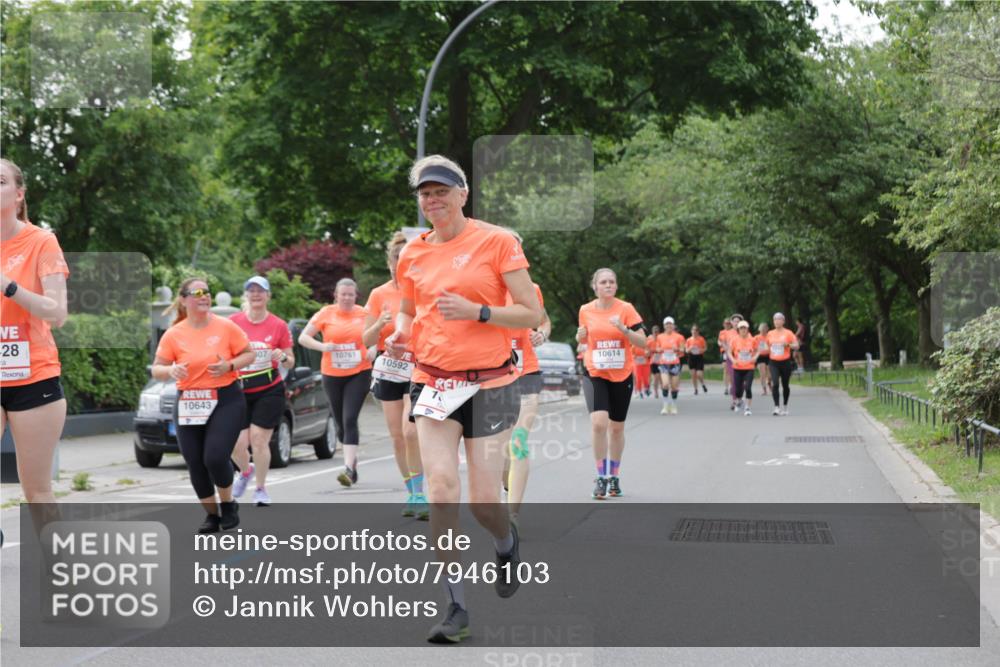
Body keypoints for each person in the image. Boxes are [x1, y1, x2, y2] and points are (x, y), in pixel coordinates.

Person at [385, 155, 542, 644]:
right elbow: (409, 314)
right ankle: (456, 606)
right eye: (425, 195)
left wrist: (478, 310)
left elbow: (531, 314)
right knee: (441, 490)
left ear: (462, 194)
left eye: (441, 192)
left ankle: (505, 541)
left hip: (492, 384)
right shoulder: (413, 253)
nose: (433, 201)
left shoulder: (498, 241)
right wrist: (398, 336)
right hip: (433, 382)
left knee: (482, 502)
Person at [152, 278, 255, 533]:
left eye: (207, 292)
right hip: (189, 401)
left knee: (215, 455)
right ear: (184, 299)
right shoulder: (174, 334)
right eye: (197, 292)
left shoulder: (226, 327)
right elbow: (157, 369)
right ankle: (211, 515)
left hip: (225, 398)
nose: (204, 296)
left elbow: (249, 354)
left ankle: (228, 503)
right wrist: (171, 370)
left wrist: (229, 365)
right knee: (195, 461)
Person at [0, 158, 70, 511]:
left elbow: (57, 313)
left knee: (37, 491)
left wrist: (8, 286)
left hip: (33, 376)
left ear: (19, 193)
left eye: (0, 181)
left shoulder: (41, 242)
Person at [363, 231, 427, 519]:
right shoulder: (379, 294)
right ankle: (413, 492)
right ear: (390, 263)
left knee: (411, 430)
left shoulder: (422, 289)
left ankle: (423, 491)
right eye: (395, 260)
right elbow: (365, 340)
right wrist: (379, 324)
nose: (400, 264)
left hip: (418, 366)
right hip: (389, 369)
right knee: (397, 437)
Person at [577, 268, 646, 500]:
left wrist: (624, 330)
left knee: (616, 428)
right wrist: (579, 337)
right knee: (598, 423)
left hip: (622, 373)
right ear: (595, 286)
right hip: (595, 371)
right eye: (603, 282)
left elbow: (643, 342)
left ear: (616, 286)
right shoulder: (585, 310)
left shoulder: (626, 309)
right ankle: (601, 476)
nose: (608, 285)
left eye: (612, 282)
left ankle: (614, 475)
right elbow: (584, 339)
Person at [300, 278, 373, 487]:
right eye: (343, 294)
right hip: (332, 374)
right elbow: (303, 338)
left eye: (351, 294)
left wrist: (373, 349)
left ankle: (348, 470)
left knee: (350, 418)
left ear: (355, 296)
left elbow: (376, 336)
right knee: (341, 424)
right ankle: (353, 460)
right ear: (336, 295)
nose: (347, 298)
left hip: (359, 372)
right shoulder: (325, 313)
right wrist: (323, 347)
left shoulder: (364, 313)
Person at [229, 276, 294, 506]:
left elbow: (290, 361)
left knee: (258, 439)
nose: (256, 294)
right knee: (236, 444)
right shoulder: (233, 323)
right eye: (251, 290)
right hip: (239, 390)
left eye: (260, 291)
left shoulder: (278, 325)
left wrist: (283, 356)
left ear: (268, 295)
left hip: (269, 390)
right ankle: (246, 471)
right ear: (246, 295)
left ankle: (260, 489)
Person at [505, 277, 550, 528]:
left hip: (526, 373)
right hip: (493, 378)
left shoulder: (532, 289)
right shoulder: (482, 287)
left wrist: (541, 334)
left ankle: (512, 516)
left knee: (518, 441)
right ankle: (507, 486)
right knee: (500, 449)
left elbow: (543, 321)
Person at [767, 312, 800, 415]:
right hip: (773, 362)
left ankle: (785, 406)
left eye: (779, 319)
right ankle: (776, 407)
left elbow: (797, 346)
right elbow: (767, 347)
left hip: (785, 362)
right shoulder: (770, 333)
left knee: (785, 385)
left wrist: (788, 345)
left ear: (783, 321)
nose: (777, 321)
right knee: (775, 383)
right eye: (775, 319)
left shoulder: (788, 333)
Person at [655, 316, 686, 414]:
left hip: (675, 363)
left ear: (673, 325)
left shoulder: (679, 337)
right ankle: (665, 406)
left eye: (670, 324)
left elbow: (682, 350)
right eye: (667, 324)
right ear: (664, 326)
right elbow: (657, 348)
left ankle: (673, 406)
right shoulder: (660, 337)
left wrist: (676, 348)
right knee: (665, 384)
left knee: (674, 387)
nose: (669, 325)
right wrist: (660, 350)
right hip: (664, 362)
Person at [729, 320, 758, 415]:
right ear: (738, 329)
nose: (743, 330)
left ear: (747, 329)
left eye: (745, 328)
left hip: (749, 367)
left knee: (748, 387)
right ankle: (739, 400)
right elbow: (729, 352)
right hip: (738, 367)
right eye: (741, 328)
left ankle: (748, 408)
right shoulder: (734, 340)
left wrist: (754, 357)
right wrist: (733, 360)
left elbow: (758, 350)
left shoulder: (752, 340)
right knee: (738, 389)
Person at [685, 325, 708, 395]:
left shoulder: (701, 339)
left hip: (699, 357)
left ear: (698, 332)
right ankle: (695, 389)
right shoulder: (688, 340)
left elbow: (705, 348)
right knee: (693, 375)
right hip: (691, 357)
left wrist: (701, 350)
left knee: (699, 374)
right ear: (691, 331)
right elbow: (686, 350)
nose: (694, 332)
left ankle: (703, 384)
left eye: (696, 330)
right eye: (693, 330)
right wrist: (691, 348)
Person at [716, 319, 733, 396]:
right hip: (724, 352)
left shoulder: (734, 331)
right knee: (726, 369)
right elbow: (719, 341)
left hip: (732, 351)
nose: (727, 325)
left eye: (729, 323)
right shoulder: (721, 332)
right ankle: (726, 388)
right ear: (723, 324)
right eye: (726, 323)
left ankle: (731, 386)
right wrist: (721, 344)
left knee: (731, 370)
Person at [755, 322, 772, 397]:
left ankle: (769, 382)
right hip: (760, 356)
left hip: (769, 356)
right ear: (759, 329)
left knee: (770, 374)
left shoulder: (770, 336)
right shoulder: (756, 338)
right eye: (762, 329)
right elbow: (752, 346)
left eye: (765, 329)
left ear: (767, 329)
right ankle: (764, 389)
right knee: (762, 374)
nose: (763, 330)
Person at [648, 324, 662, 399]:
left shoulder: (661, 340)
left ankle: (663, 390)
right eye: (654, 332)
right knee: (655, 378)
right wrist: (653, 351)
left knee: (660, 377)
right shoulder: (650, 341)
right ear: (652, 332)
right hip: (653, 362)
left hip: (661, 361)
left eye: (657, 332)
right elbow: (646, 352)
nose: (656, 333)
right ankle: (656, 392)